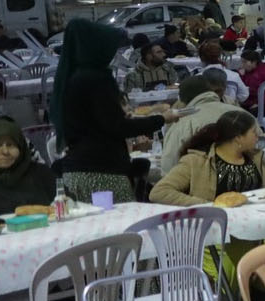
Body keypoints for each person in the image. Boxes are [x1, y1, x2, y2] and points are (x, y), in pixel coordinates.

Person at [51, 20, 175, 201]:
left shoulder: (69, 77)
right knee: (120, 226)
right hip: (102, 172)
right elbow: (117, 126)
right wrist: (161, 119)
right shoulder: (97, 78)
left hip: (74, 171)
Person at [151, 110, 265, 205]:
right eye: (253, 132)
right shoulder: (196, 162)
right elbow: (159, 192)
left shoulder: (259, 159)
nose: (258, 136)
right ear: (238, 137)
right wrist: (206, 206)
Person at [157, 72, 239, 173]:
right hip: (250, 182)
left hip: (203, 183)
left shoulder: (183, 124)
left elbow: (169, 167)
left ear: (183, 101)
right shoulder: (240, 113)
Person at [0, 116, 56, 215]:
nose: (5, 151)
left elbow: (67, 207)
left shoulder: (41, 174)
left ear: (21, 147)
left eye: (10, 145)